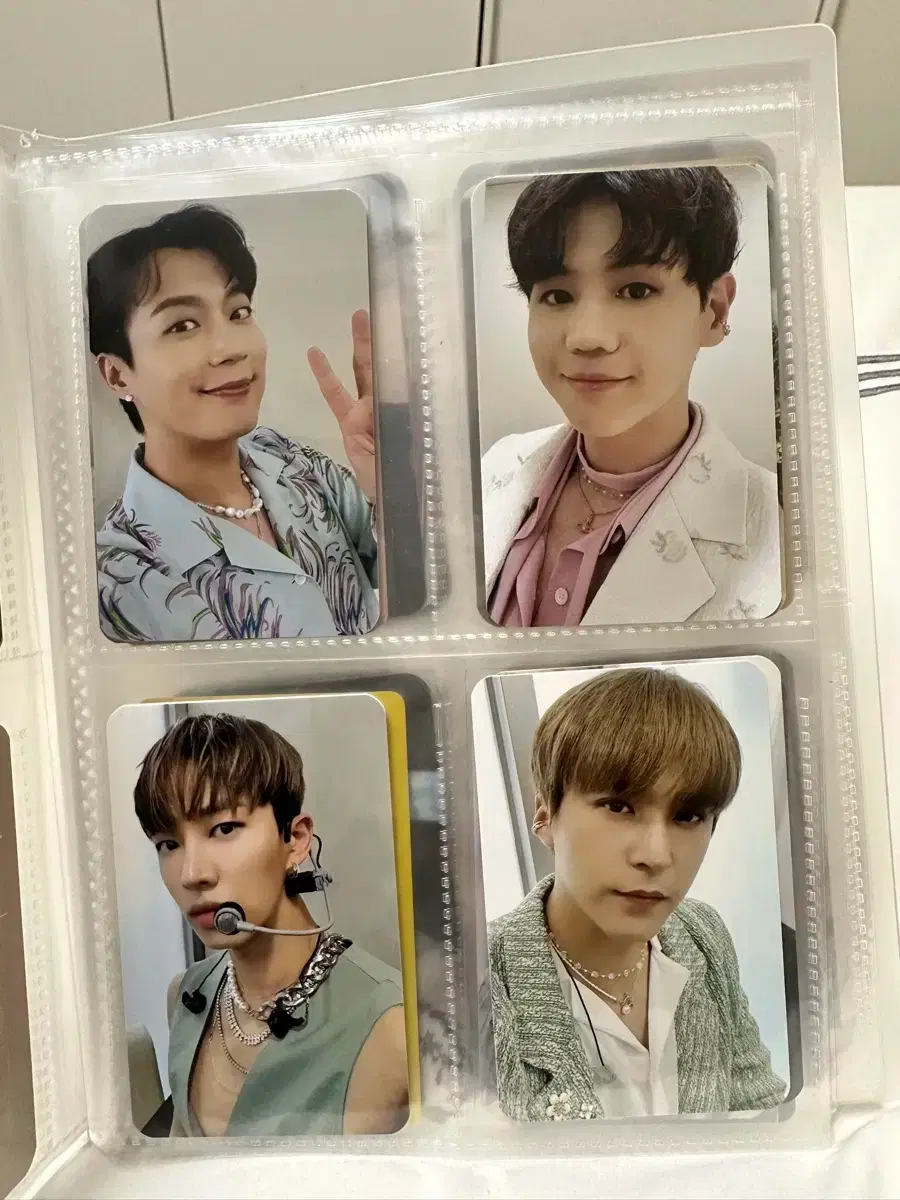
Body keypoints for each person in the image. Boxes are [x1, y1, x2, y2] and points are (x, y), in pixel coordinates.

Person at [480, 168, 782, 627]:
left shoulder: (785, 534)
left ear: (714, 310)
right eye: (557, 296)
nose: (587, 337)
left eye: (636, 291)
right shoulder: (497, 466)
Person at [488, 668, 787, 1121]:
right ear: (545, 814)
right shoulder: (476, 991)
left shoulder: (701, 935)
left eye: (688, 815)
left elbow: (761, 1113)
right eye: (619, 806)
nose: (656, 855)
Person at [89, 204, 379, 643]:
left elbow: (420, 588)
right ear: (117, 374)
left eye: (238, 312)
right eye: (183, 325)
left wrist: (391, 487)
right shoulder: (124, 575)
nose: (230, 348)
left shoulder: (290, 461)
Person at [134, 713, 409, 1136]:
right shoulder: (186, 996)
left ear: (295, 840)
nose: (191, 874)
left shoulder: (393, 1027)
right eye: (168, 844)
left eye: (224, 829)